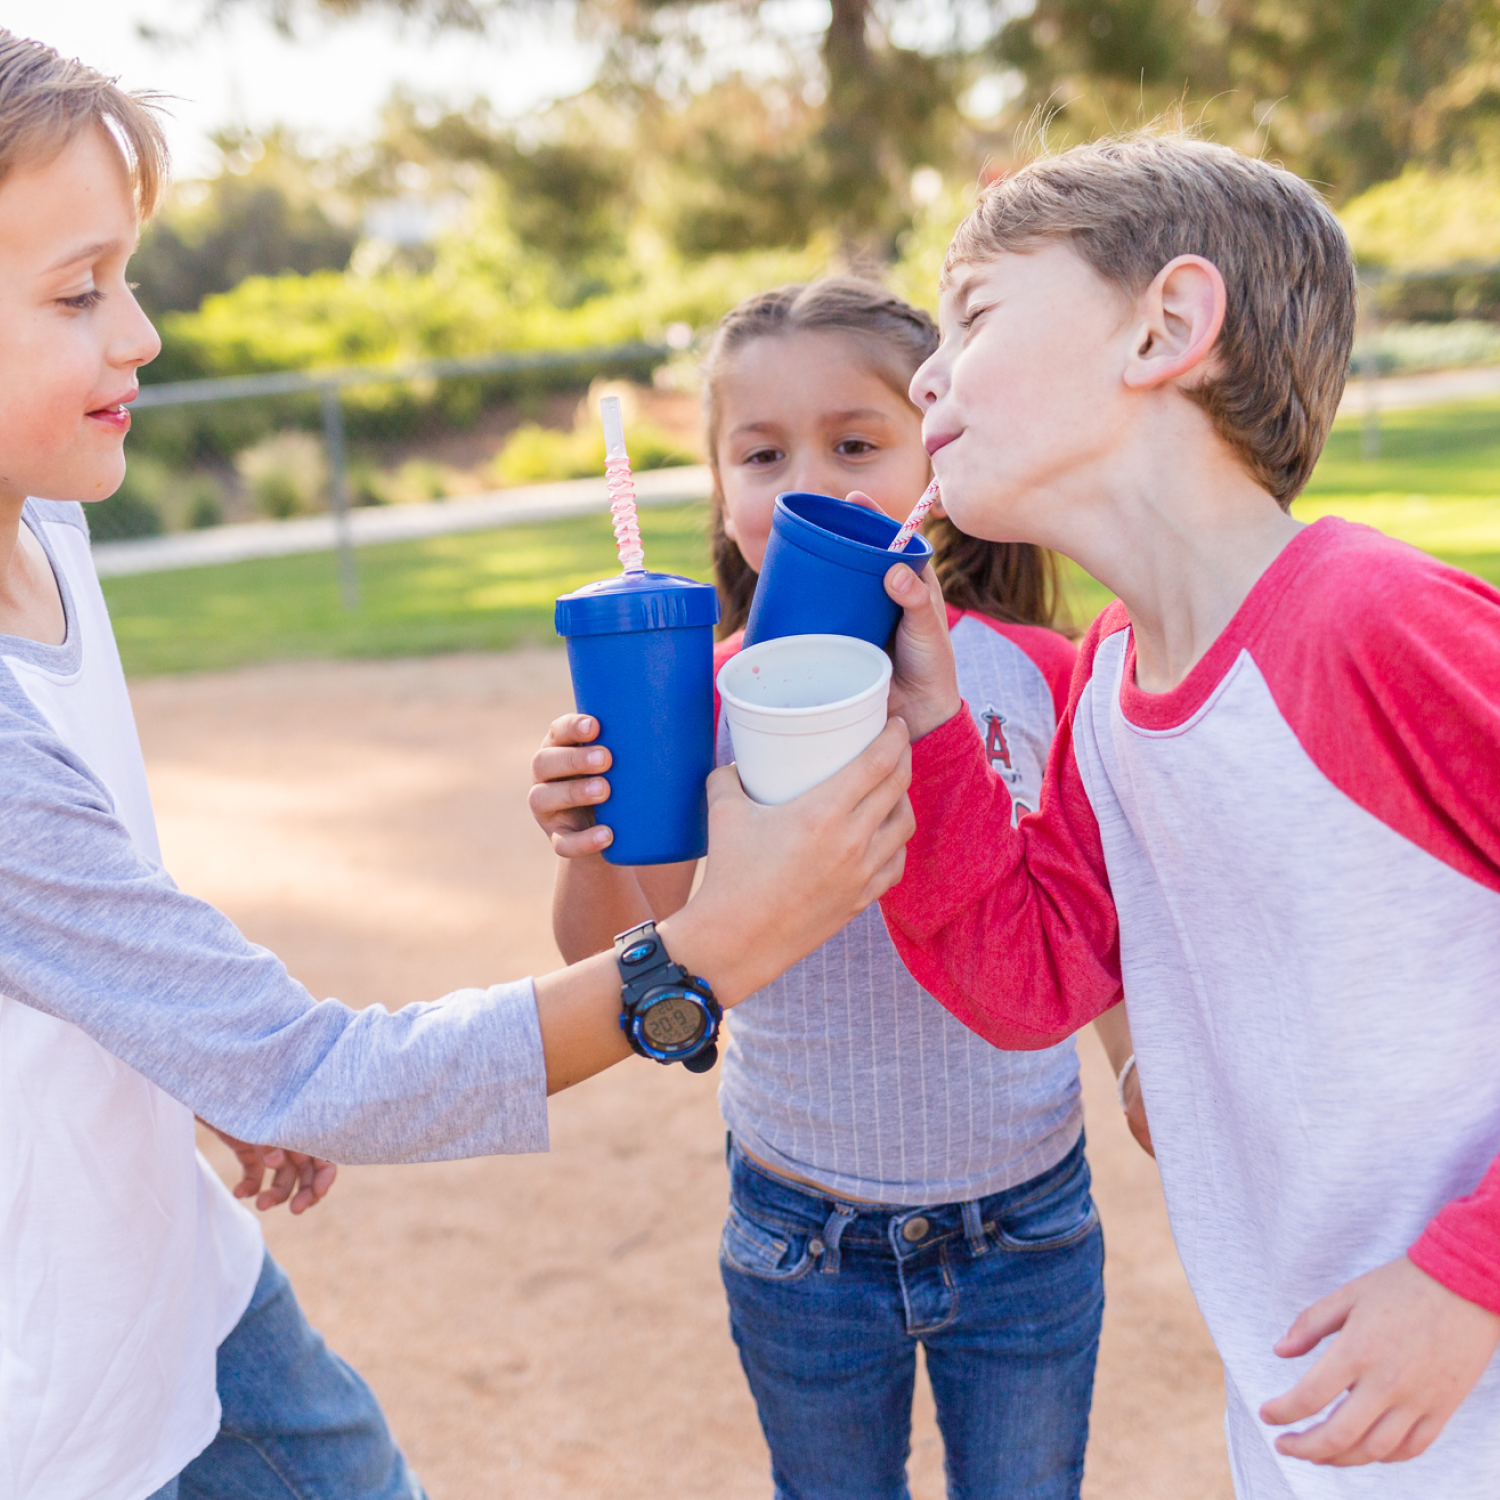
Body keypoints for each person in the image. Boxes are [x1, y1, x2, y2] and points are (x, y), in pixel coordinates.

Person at [0, 34, 914, 1500]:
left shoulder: (44, 523)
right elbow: (317, 1068)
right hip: (59, 1396)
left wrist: (190, 1059)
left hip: (187, 1277)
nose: (141, 335)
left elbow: (92, 915)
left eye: (126, 276)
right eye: (78, 292)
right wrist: (708, 954)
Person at [870, 130, 1500, 1497]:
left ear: (1166, 325)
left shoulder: (1365, 624)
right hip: (1315, 1420)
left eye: (972, 315)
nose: (927, 373)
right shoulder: (1106, 685)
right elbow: (1031, 978)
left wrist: (1473, 1276)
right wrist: (929, 730)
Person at [529, 278, 1148, 1500]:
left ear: (940, 453)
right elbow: (623, 947)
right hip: (798, 1235)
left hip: (1026, 1222)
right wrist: (588, 838)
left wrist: (1135, 1068)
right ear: (723, 492)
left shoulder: (1039, 677)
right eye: (762, 453)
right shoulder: (690, 698)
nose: (807, 482)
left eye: (855, 443)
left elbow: (1090, 921)